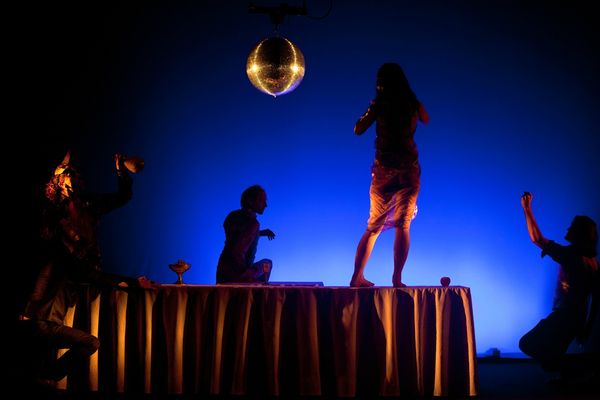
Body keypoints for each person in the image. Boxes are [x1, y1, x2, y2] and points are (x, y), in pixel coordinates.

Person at [18, 151, 155, 390]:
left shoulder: (87, 206)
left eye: (73, 175)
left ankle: (44, 377)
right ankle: (42, 377)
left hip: (78, 278)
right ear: (58, 184)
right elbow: (63, 270)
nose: (73, 178)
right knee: (54, 336)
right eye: (66, 175)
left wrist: (121, 171)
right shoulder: (54, 223)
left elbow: (122, 196)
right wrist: (131, 282)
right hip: (67, 283)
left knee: (63, 331)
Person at [350, 62, 429, 288]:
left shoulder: (380, 104)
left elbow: (358, 129)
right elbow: (426, 118)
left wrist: (375, 107)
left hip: (384, 171)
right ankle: (397, 278)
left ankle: (357, 276)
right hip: (408, 170)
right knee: (403, 225)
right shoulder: (411, 103)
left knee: (374, 226)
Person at [518, 191, 599, 377]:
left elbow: (537, 239)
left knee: (527, 344)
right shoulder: (593, 262)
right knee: (553, 357)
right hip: (576, 318)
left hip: (565, 317)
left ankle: (577, 373)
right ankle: (570, 377)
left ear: (579, 234)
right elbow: (596, 300)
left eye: (571, 228)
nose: (567, 229)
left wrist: (527, 209)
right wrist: (586, 327)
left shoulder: (573, 257)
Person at [216, 185, 275, 284]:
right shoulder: (253, 224)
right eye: (261, 200)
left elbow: (238, 236)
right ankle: (258, 293)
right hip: (238, 275)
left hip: (222, 271)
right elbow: (238, 251)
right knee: (267, 263)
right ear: (250, 201)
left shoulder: (232, 216)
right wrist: (243, 278)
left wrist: (260, 233)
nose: (265, 205)